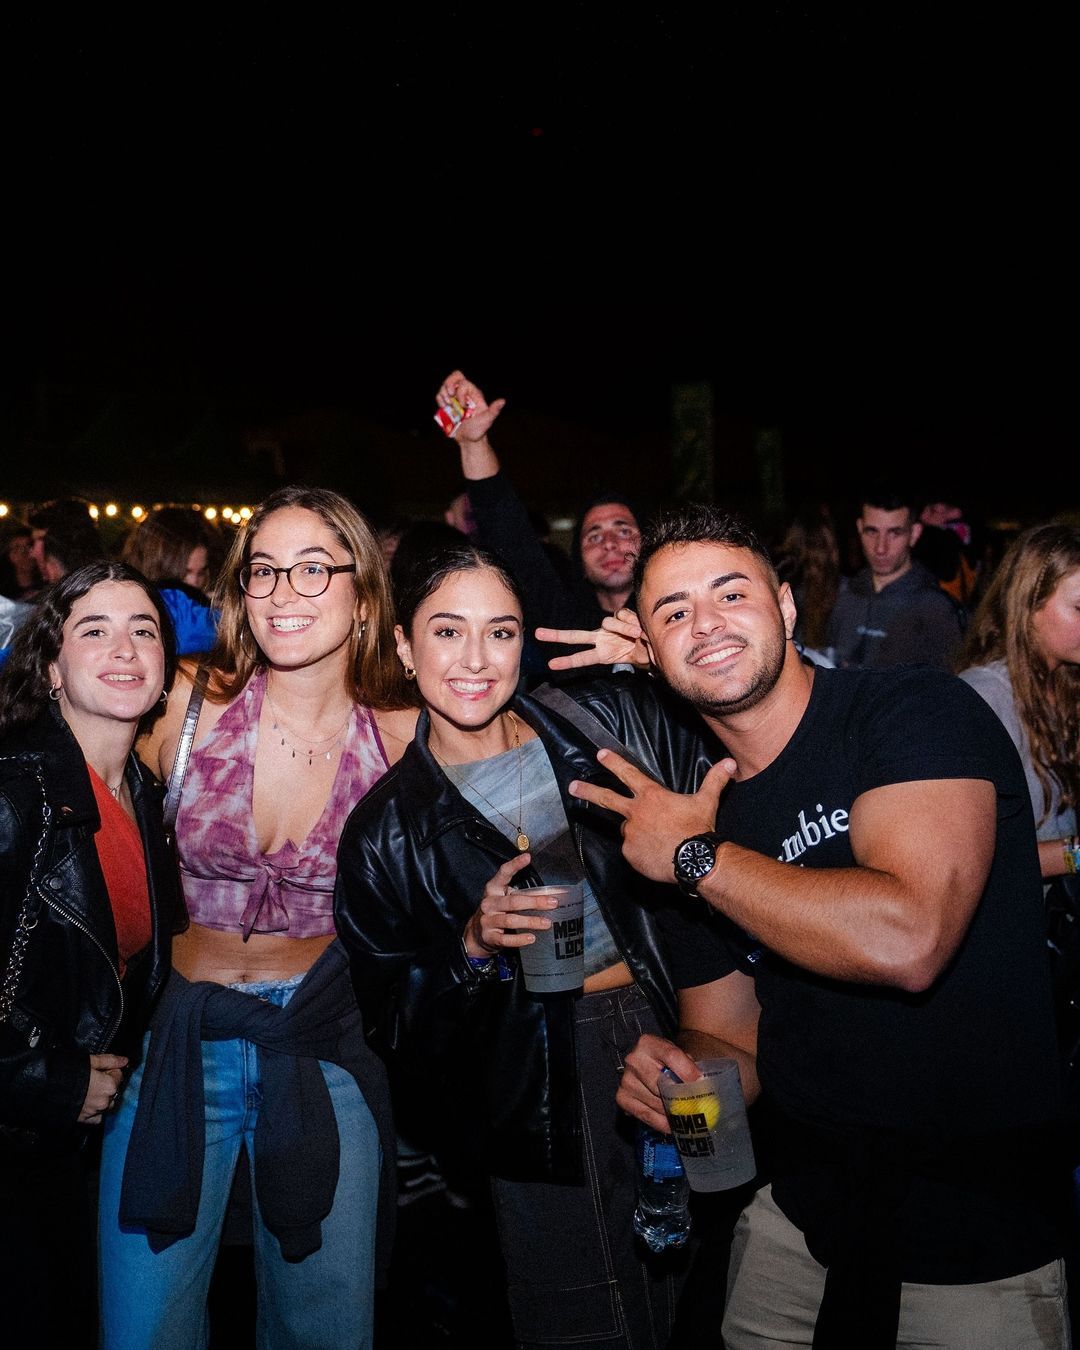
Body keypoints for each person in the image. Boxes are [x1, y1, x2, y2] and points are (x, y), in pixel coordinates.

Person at [561, 503, 1069, 1348]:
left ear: (788, 607)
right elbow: (734, 1041)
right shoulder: (691, 807)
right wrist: (686, 1077)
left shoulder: (910, 712)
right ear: (647, 649)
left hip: (979, 1235)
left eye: (732, 594)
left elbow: (908, 939)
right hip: (798, 1228)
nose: (707, 624)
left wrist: (698, 859)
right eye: (674, 612)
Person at [334, 540, 720, 1350]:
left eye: (502, 632)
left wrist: (663, 671)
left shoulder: (598, 718)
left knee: (699, 1264)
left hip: (689, 1026)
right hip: (543, 1079)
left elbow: (732, 778)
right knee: (582, 1310)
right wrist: (470, 948)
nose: (477, 659)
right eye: (447, 632)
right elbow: (394, 1030)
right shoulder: (386, 830)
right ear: (403, 647)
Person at [96, 486, 418, 1350]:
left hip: (322, 1051)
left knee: (324, 1332)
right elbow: (60, 789)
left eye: (314, 569)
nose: (283, 592)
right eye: (264, 570)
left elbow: (527, 807)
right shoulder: (185, 708)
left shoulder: (407, 730)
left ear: (364, 593)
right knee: (142, 1328)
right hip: (174, 1050)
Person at [0, 561, 179, 1345]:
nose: (124, 648)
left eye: (143, 630)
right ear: (51, 669)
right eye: (94, 630)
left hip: (67, 1156)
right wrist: (47, 1082)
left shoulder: (143, 793)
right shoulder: (13, 795)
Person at [436, 370, 645, 678]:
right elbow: (509, 531)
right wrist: (473, 443)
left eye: (623, 530)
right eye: (594, 536)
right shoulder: (560, 625)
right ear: (579, 562)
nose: (610, 543)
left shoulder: (676, 624)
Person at [956, 522, 1079, 882]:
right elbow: (974, 859)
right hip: (1017, 930)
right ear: (1030, 605)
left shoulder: (1064, 683)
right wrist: (1074, 854)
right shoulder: (983, 698)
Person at [825, 482, 965, 671]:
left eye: (895, 533)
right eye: (872, 531)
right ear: (859, 528)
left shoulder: (936, 610)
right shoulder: (843, 595)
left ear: (914, 534)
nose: (880, 548)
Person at [120, 505, 221, 657]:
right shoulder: (157, 604)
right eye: (183, 574)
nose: (193, 582)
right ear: (158, 565)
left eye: (201, 573)